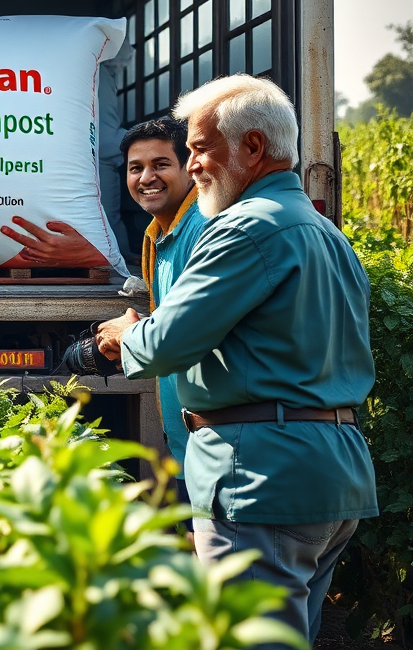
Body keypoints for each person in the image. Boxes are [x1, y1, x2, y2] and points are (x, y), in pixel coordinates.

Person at [95, 75, 377, 647]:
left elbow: (165, 343)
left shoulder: (246, 228)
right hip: (333, 470)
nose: (193, 164)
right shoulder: (325, 232)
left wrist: (127, 333)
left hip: (261, 477)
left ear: (252, 147)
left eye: (200, 148)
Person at [118, 116, 208, 522]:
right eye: (135, 168)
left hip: (213, 450)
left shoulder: (203, 229)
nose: (146, 178)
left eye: (160, 165)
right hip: (190, 447)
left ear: (189, 166)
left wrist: (129, 335)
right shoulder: (160, 232)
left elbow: (185, 335)